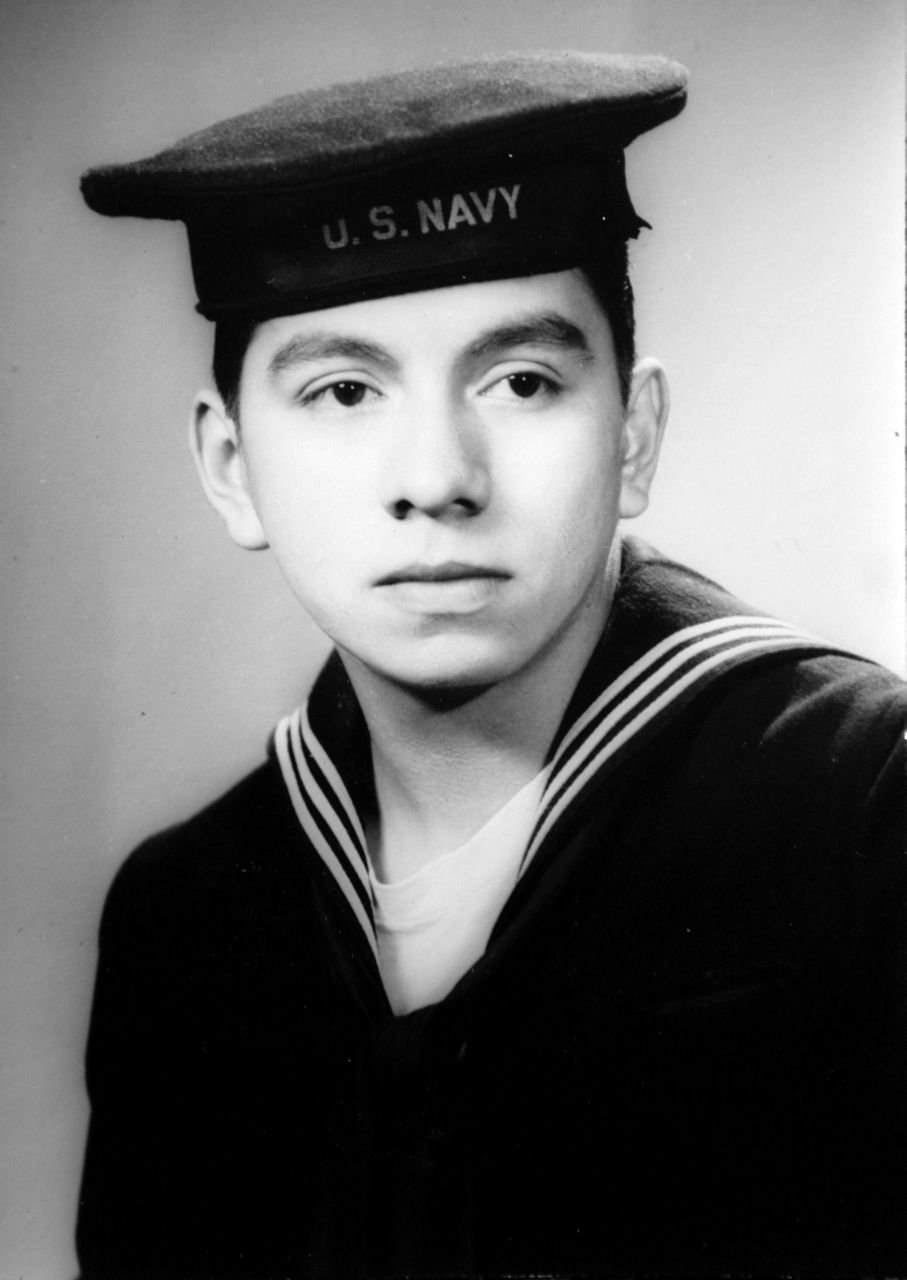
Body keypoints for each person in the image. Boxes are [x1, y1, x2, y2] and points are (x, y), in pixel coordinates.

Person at [75, 51, 906, 1279]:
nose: (436, 476)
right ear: (231, 466)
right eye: (343, 390)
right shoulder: (188, 916)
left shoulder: (861, 800)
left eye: (521, 381)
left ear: (633, 435)